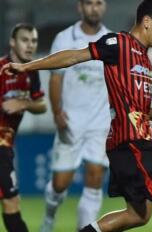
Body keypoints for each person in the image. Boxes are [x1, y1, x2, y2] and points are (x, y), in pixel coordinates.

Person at [1, 1, 152, 232]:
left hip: (128, 143)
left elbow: (137, 104)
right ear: (147, 22)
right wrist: (28, 67)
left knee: (138, 215)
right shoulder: (118, 43)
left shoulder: (145, 59)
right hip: (132, 143)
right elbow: (73, 57)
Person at [40, 0, 111, 231]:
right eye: (89, 3)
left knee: (95, 177)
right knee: (61, 184)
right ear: (80, 7)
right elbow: (55, 77)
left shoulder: (111, 40)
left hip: (100, 124)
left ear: (105, 7)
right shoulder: (64, 38)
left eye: (99, 3)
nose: (94, 8)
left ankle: (84, 229)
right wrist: (57, 111)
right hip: (70, 122)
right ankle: (49, 217)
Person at [0, 23, 47, 232]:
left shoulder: (31, 72)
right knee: (11, 201)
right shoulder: (1, 69)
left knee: (11, 202)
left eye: (34, 41)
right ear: (12, 42)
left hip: (6, 145)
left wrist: (23, 103)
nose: (30, 45)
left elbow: (42, 105)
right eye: (25, 40)